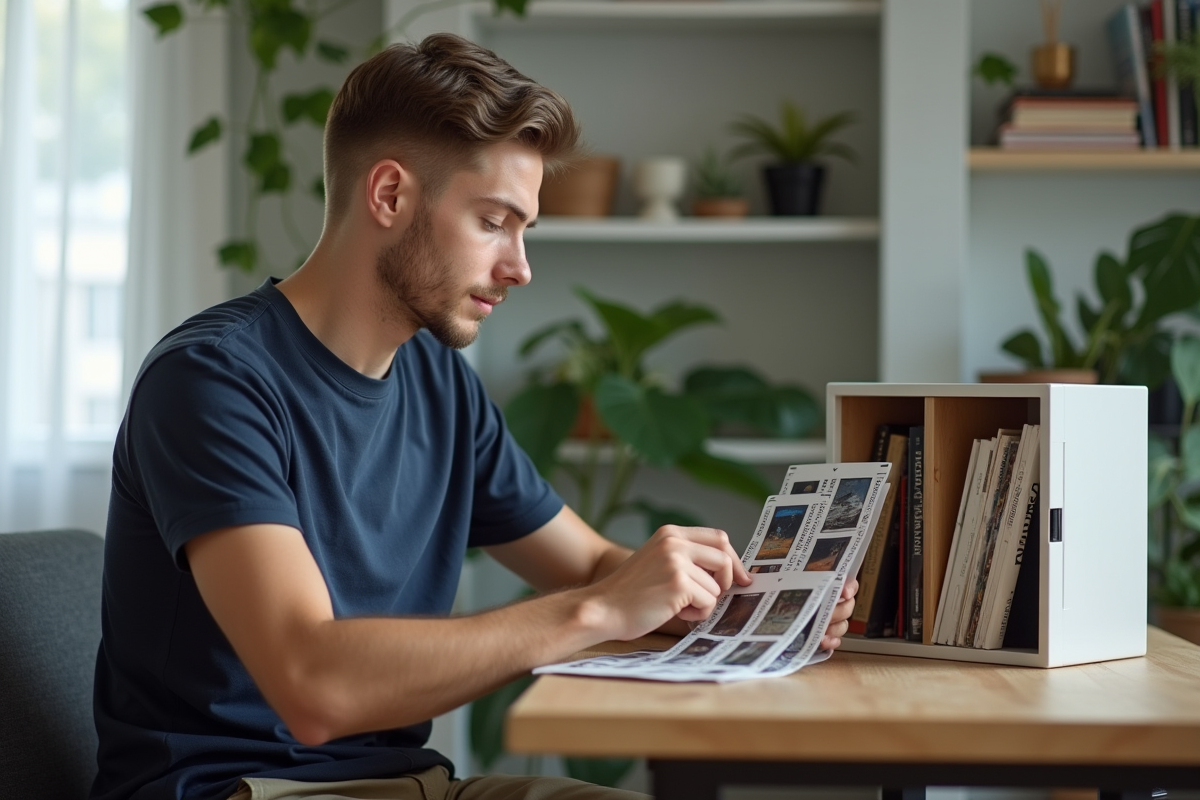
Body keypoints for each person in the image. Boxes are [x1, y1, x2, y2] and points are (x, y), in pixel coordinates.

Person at [91, 32, 858, 800]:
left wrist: (750, 614)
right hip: (239, 791)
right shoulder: (213, 382)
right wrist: (597, 609)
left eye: (524, 229)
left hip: (415, 786)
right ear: (389, 195)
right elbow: (315, 684)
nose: (520, 266)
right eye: (494, 221)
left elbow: (590, 566)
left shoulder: (437, 382)